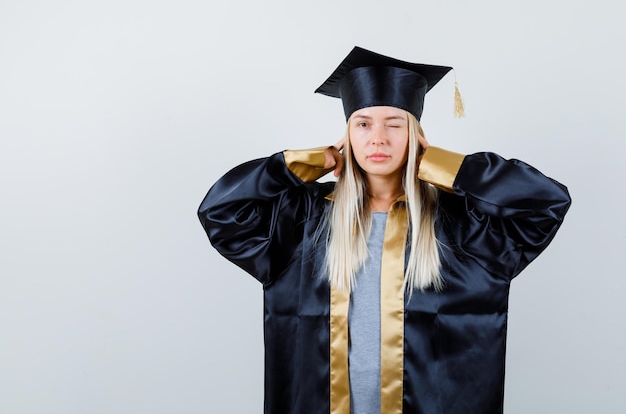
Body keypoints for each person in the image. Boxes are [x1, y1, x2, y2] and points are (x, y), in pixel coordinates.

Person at [197, 46, 571, 414]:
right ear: (347, 134)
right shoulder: (303, 219)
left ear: (416, 135)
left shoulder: (462, 225)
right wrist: (311, 162)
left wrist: (441, 165)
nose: (378, 138)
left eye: (395, 125)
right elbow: (221, 210)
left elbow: (545, 203)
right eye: (363, 124)